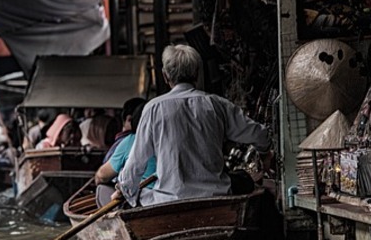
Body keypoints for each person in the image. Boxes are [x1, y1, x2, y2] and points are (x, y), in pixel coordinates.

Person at [117, 44, 271, 207]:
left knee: (136, 196)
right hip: (216, 196)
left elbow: (135, 163)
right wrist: (264, 153)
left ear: (165, 76)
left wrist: (125, 189)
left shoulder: (154, 108)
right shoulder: (216, 104)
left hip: (169, 201)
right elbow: (259, 135)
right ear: (196, 73)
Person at [93, 98, 156, 207]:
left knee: (102, 188)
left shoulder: (130, 140)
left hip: (139, 200)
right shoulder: (167, 140)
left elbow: (102, 176)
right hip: (163, 195)